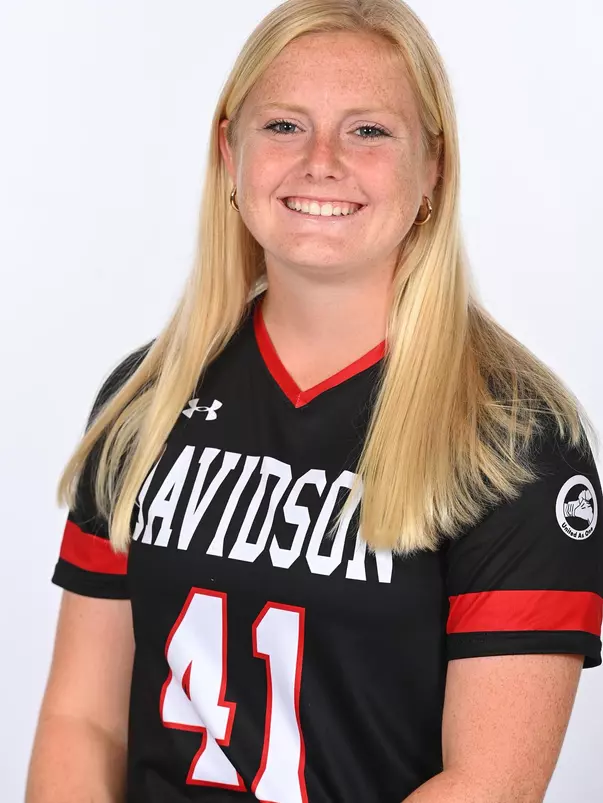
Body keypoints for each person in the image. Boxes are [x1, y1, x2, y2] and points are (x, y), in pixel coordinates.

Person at [26, 0, 603, 801]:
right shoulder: (145, 400)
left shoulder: (516, 439)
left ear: (433, 166)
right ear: (228, 151)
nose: (321, 161)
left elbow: (489, 780)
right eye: (283, 126)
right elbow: (82, 720)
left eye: (368, 131)